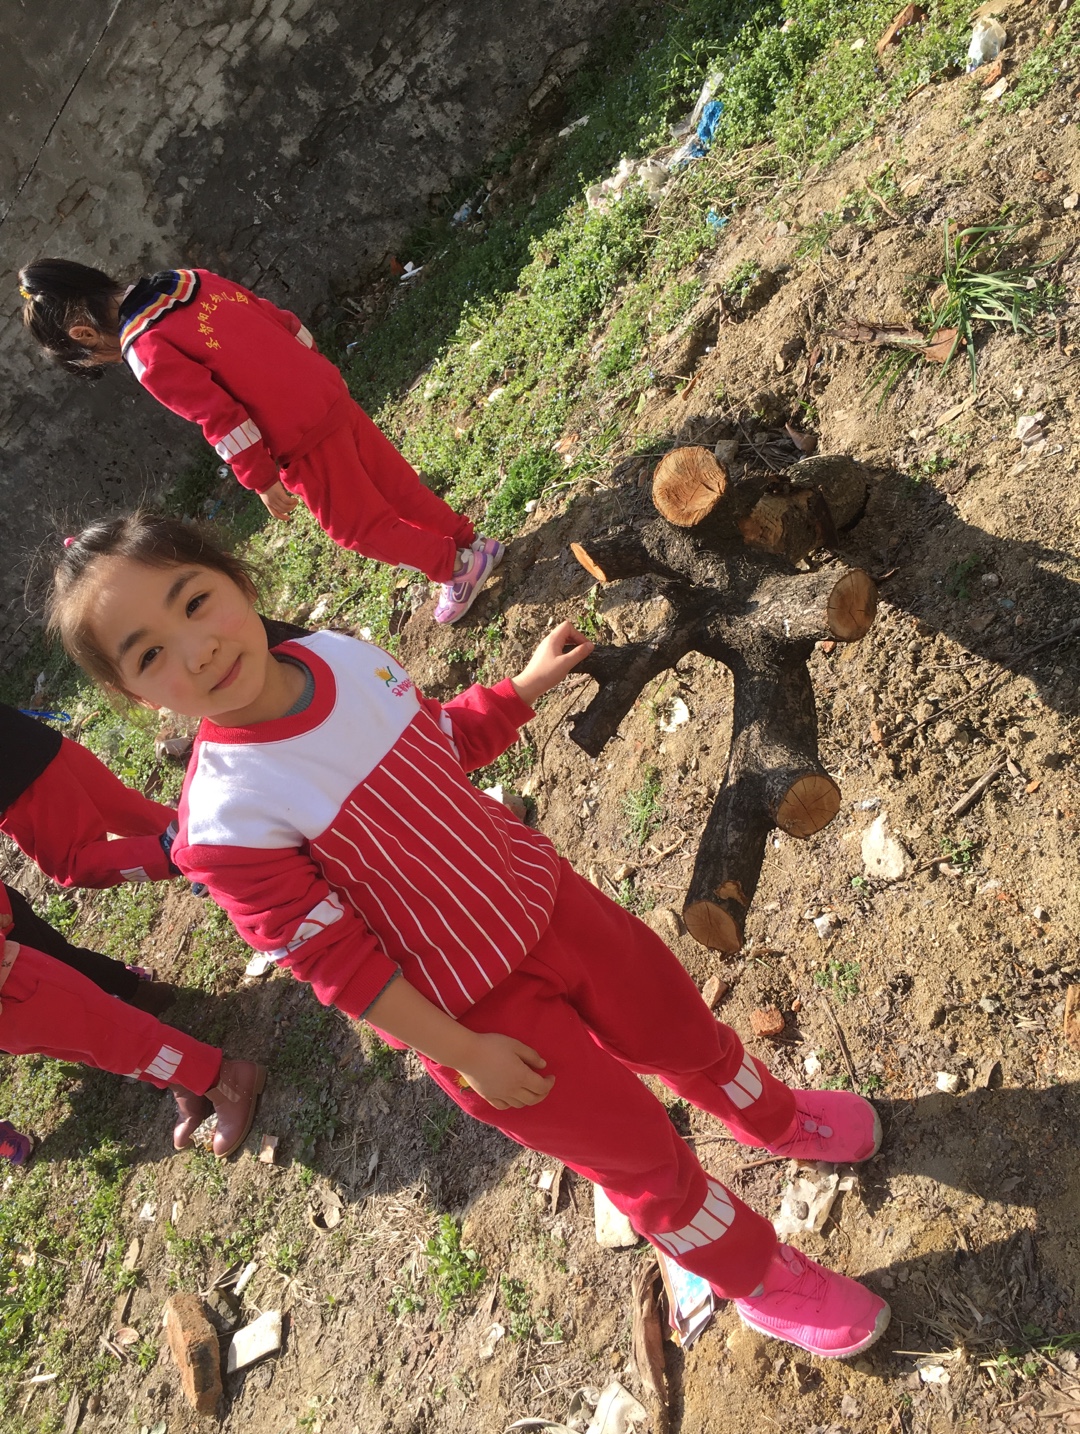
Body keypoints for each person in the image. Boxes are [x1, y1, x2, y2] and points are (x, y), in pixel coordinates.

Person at [50, 513, 892, 1360]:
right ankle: (757, 1277)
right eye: (149, 654)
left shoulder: (340, 656)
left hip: (549, 900)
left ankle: (773, 1116)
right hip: (477, 1018)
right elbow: (336, 965)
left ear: (237, 579)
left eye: (194, 601)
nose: (195, 650)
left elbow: (437, 741)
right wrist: (463, 1053)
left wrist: (519, 691)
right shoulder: (226, 821)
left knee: (682, 1028)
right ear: (137, 697)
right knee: (641, 1158)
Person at [19, 259, 504, 624]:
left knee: (356, 527)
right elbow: (276, 317)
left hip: (300, 437)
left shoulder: (145, 348)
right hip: (327, 394)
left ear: (84, 335)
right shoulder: (189, 279)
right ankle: (472, 542)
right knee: (396, 486)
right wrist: (311, 368)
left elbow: (219, 415)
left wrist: (261, 479)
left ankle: (455, 567)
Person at [0, 886, 264, 1158]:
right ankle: (184, 1081)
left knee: (118, 1037)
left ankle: (224, 1079)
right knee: (99, 1053)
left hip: (11, 981)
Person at [1, 699, 178, 1011]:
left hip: (17, 786)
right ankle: (224, 840)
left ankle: (180, 854)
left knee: (75, 862)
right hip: (35, 741)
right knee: (127, 810)